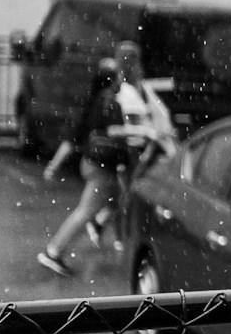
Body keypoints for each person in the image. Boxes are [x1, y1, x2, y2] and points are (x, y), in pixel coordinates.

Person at [35, 39, 173, 275]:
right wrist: (146, 132)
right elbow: (113, 131)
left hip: (100, 162)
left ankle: (97, 226)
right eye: (135, 63)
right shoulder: (116, 96)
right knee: (88, 209)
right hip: (102, 165)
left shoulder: (112, 93)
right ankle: (53, 251)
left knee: (123, 200)